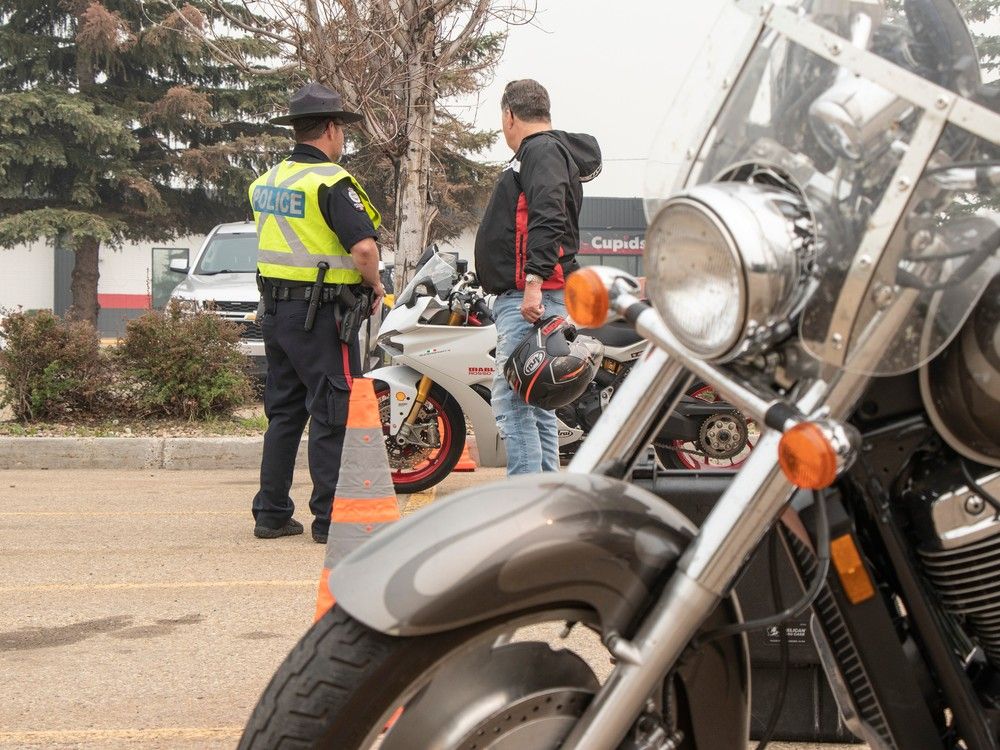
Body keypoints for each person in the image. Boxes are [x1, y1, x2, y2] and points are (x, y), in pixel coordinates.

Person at [249, 82, 385, 543]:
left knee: (284, 414)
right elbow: (364, 248)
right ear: (331, 129)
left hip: (276, 313)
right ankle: (329, 519)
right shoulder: (330, 182)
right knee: (333, 411)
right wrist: (376, 285)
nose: (343, 139)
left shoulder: (266, 182)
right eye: (341, 130)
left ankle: (270, 513)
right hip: (322, 316)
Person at [474, 79, 602, 475]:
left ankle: (525, 500)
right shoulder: (544, 152)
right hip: (540, 293)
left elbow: (548, 216)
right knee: (536, 398)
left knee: (513, 397)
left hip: (533, 296)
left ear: (509, 115)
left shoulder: (541, 151)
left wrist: (532, 283)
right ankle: (542, 495)